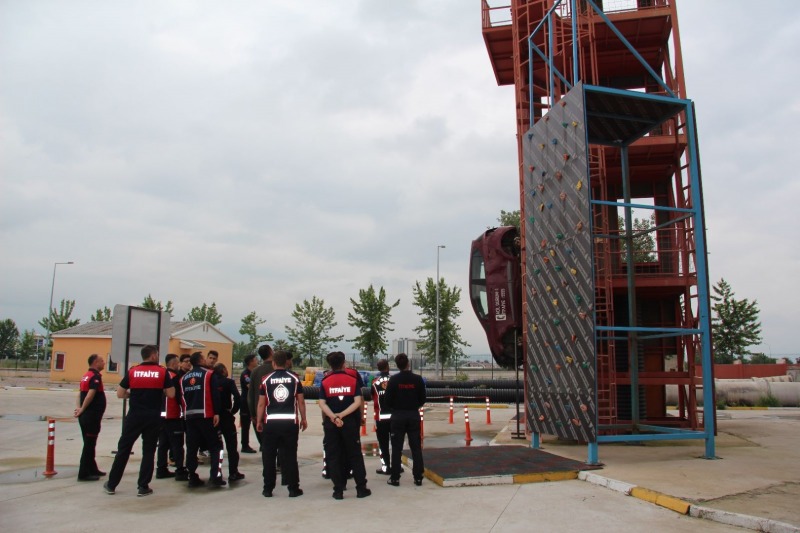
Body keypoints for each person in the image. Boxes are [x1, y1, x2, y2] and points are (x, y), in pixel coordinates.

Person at [104, 345, 175, 497]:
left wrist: (132, 395)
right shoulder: (162, 372)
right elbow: (171, 394)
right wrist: (159, 391)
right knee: (148, 451)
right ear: (153, 356)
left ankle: (111, 484)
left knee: (123, 449)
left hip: (134, 416)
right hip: (153, 417)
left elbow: (120, 393)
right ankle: (143, 486)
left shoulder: (133, 371)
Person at [318, 351, 371, 500]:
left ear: (330, 365)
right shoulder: (352, 380)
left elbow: (322, 403)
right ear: (343, 363)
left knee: (334, 456)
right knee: (355, 454)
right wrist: (343, 415)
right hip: (350, 423)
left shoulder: (325, 381)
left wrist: (333, 416)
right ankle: (361, 488)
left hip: (331, 423)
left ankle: (338, 490)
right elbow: (357, 401)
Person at [256, 350, 307, 498]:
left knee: (269, 456)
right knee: (290, 455)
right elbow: (301, 401)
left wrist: (259, 421)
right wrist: (303, 419)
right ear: (286, 362)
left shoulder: (266, 379)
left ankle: (268, 488)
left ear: (273, 363)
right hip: (289, 423)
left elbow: (261, 403)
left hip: (271, 423)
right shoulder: (294, 378)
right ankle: (293, 488)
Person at [181, 351, 225, 488]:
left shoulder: (184, 378)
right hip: (206, 415)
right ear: (200, 360)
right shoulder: (209, 374)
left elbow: (182, 398)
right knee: (216, 447)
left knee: (192, 448)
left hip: (189, 417)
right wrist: (216, 412)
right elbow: (215, 394)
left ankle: (192, 477)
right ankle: (215, 477)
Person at [384, 353, 426, 487]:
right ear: (408, 363)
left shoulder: (394, 380)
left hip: (398, 416)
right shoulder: (418, 379)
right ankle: (418, 477)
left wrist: (396, 407)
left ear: (397, 365)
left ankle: (395, 478)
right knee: (416, 447)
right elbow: (423, 398)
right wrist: (414, 406)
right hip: (413, 415)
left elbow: (387, 400)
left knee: (396, 448)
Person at [75, 354, 107, 481]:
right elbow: (90, 394)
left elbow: (79, 394)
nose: (104, 363)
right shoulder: (95, 376)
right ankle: (83, 473)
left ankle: (92, 468)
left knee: (90, 443)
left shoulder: (86, 375)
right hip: (91, 416)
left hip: (86, 416)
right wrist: (82, 409)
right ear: (95, 363)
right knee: (89, 445)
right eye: (102, 361)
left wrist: (79, 408)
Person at [156, 354, 188, 481]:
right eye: (178, 362)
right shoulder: (175, 378)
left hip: (161, 415)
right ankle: (180, 470)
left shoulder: (161, 375)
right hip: (173, 415)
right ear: (174, 364)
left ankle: (161, 469)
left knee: (163, 444)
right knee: (177, 445)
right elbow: (180, 396)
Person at [213, 363, 244, 482]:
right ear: (223, 370)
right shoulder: (228, 382)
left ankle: (217, 473)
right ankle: (233, 472)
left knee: (217, 448)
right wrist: (233, 410)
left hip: (214, 417)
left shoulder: (211, 382)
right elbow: (237, 397)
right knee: (232, 447)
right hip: (226, 416)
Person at [247, 345, 274, 449]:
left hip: (260, 413)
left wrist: (253, 414)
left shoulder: (255, 371)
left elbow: (251, 395)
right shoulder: (277, 369)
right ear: (271, 352)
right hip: (276, 411)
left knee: (265, 445)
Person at [371, 359, 392, 475]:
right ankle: (397, 465)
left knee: (383, 443)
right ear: (388, 367)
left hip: (381, 417)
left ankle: (386, 467)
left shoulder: (375, 382)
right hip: (394, 417)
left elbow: (373, 397)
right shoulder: (394, 380)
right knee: (396, 442)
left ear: (378, 368)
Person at [239, 354, 259, 453]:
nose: (257, 361)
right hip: (246, 402)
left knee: (257, 422)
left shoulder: (255, 372)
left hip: (254, 402)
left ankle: (262, 443)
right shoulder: (245, 374)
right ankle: (245, 445)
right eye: (255, 359)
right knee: (246, 425)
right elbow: (250, 386)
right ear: (250, 362)